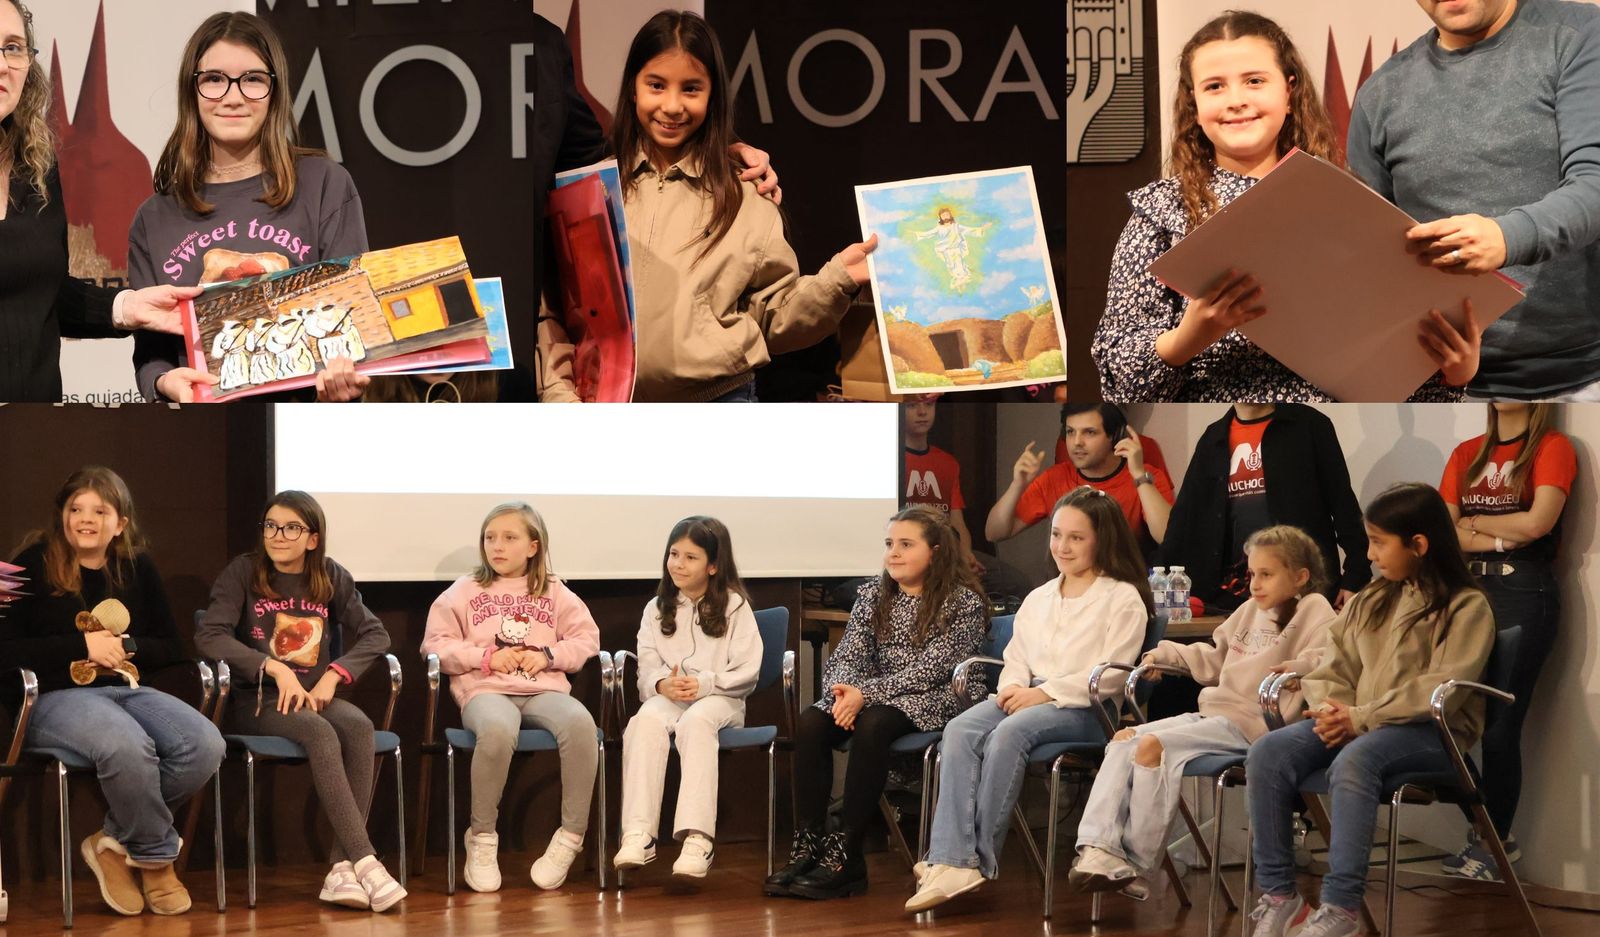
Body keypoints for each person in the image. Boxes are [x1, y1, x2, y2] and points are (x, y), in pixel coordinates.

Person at [1090, 10, 1479, 403]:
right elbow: (1118, 384)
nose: (1237, 101)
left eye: (1255, 81)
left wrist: (1452, 375)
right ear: (1193, 104)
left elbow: (1389, 372)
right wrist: (1187, 339)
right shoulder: (1160, 214)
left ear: (1289, 92)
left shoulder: (1347, 203)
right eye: (1214, 87)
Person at [537, 10, 877, 403]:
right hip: (601, 406)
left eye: (691, 89)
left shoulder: (744, 194)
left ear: (712, 94)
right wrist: (560, 396)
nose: (673, 105)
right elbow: (557, 309)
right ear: (634, 88)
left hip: (719, 403)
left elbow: (775, 317)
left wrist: (838, 281)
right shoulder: (593, 187)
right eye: (657, 85)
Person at [1244, 483, 1495, 937]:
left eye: (1380, 541)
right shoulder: (1370, 598)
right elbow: (1331, 662)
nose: (1370, 553)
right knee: (1268, 753)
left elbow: (1439, 689)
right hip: (1356, 723)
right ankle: (1281, 896)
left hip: (1432, 736)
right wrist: (1331, 710)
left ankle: (1341, 908)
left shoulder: (1466, 605)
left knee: (1358, 758)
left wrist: (1360, 718)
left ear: (1418, 545)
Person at [907, 488, 1151, 912]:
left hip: (1086, 707)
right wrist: (1013, 689)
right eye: (1057, 535)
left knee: (1009, 734)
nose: (1063, 546)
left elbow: (1111, 674)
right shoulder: (1039, 597)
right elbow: (1015, 657)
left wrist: (1043, 694)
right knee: (961, 727)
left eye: (1076, 537)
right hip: (1029, 694)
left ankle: (977, 860)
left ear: (1102, 540)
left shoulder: (1122, 597)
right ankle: (951, 856)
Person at [0, 466, 224, 916]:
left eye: (99, 510)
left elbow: (171, 645)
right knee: (127, 745)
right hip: (52, 697)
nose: (85, 518)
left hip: (127, 689)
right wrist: (81, 645)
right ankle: (159, 862)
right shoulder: (30, 563)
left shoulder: (137, 566)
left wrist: (125, 646)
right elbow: (6, 649)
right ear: (62, 516)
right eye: (75, 509)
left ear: (120, 523)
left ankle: (113, 842)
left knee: (205, 744)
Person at [1349, 0, 1600, 400]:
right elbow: (1372, 259)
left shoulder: (1578, 34)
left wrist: (1506, 237)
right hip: (1442, 386)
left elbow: (1594, 183)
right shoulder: (1378, 95)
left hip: (1584, 376)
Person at [1069, 525, 1334, 900]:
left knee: (1151, 746)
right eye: (1252, 574)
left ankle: (1137, 865)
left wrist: (1298, 669)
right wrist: (1165, 654)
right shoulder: (1248, 611)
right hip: (1214, 717)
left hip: (1254, 727)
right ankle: (1098, 850)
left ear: (1300, 577)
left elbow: (1327, 657)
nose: (1255, 584)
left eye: (1267, 575)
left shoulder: (1314, 610)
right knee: (1123, 739)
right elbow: (1212, 660)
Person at [128, 11, 369, 404]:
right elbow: (151, 356)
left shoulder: (324, 184)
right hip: (204, 435)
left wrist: (344, 376)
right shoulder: (153, 217)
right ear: (192, 91)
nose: (233, 97)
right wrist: (163, 383)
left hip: (305, 428)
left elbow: (352, 323)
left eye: (253, 79)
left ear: (275, 91)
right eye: (214, 80)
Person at [195, 491, 404, 912]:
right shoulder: (243, 572)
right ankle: (366, 860)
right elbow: (209, 634)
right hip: (259, 701)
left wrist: (335, 674)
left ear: (312, 538)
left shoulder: (329, 576)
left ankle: (340, 867)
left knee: (360, 725)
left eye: (291, 528)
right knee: (319, 733)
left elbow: (376, 634)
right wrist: (273, 668)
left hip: (315, 697)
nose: (278, 535)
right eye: (271, 525)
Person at [765, 505, 986, 900]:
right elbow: (848, 654)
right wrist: (841, 692)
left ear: (935, 551)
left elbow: (934, 669)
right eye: (889, 544)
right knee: (812, 723)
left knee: (875, 724)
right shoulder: (872, 594)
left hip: (938, 695)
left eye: (905, 544)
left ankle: (848, 852)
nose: (893, 553)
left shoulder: (961, 602)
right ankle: (810, 844)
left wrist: (866, 695)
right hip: (870, 695)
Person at [0, 0, 201, 402]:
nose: (3, 64)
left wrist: (128, 307)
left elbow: (42, 294)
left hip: (33, 436)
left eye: (13, 47)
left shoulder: (35, 168)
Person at [420, 502, 601, 893]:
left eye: (509, 537)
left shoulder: (553, 590)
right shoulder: (466, 590)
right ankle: (482, 837)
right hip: (486, 690)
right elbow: (435, 645)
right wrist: (484, 656)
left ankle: (571, 837)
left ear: (533, 546)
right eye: (490, 537)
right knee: (499, 730)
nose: (497, 546)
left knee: (581, 723)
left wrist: (548, 655)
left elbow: (587, 638)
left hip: (542, 689)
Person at [1438, 402, 1574, 878]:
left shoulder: (1553, 448)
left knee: (1499, 728)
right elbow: (1442, 532)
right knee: (1442, 717)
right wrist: (1498, 536)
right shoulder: (1466, 453)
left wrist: (1471, 526)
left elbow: (1538, 525)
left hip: (1523, 592)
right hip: (1468, 593)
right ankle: (1495, 838)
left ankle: (1489, 847)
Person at [614, 517, 761, 881]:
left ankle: (698, 838)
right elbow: (646, 666)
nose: (678, 564)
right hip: (673, 698)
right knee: (644, 721)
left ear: (713, 565)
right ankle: (638, 834)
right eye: (673, 554)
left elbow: (748, 671)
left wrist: (706, 683)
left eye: (690, 557)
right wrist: (662, 684)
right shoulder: (656, 608)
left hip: (721, 701)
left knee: (696, 722)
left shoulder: (735, 607)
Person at [1161, 403, 1367, 612]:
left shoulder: (1309, 424)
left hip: (1301, 588)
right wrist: (1158, 580)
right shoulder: (1213, 437)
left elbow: (1342, 503)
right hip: (1229, 594)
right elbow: (1184, 515)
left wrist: (1355, 576)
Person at [986, 404, 1174, 559]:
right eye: (1070, 432)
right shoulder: (1054, 478)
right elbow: (994, 533)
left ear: (1114, 436)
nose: (1077, 442)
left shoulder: (1146, 475)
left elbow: (1169, 537)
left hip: (1126, 584)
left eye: (1089, 433)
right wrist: (1017, 485)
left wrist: (1139, 475)